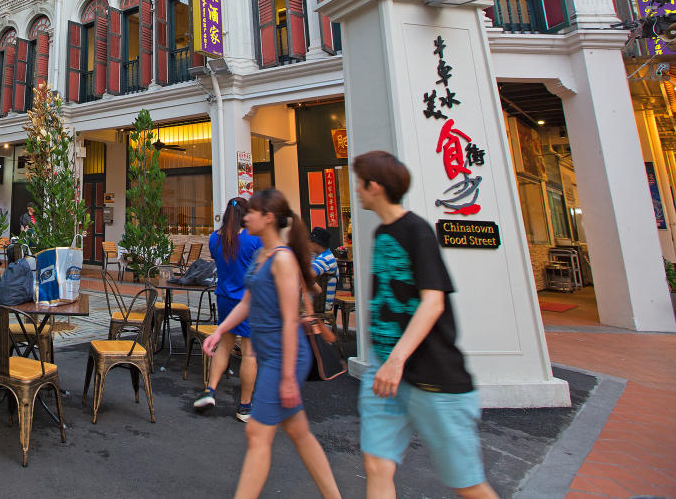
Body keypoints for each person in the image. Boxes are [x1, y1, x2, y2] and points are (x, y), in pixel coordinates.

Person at [352, 151, 497, 499]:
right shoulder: (381, 233)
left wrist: (396, 361)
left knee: (467, 483)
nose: (354, 190)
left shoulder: (417, 230)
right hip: (382, 369)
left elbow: (433, 302)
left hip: (430, 374)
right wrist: (384, 362)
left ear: (374, 186)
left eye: (358, 183)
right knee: (376, 463)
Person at [202, 189, 342, 499]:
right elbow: (247, 302)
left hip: (284, 356)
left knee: (256, 434)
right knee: (299, 433)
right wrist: (219, 331)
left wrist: (289, 376)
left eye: (252, 212)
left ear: (268, 218)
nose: (246, 217)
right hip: (271, 355)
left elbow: (291, 320)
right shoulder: (260, 253)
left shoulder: (283, 259)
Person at [197, 196, 261, 420]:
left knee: (224, 346)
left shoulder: (215, 238)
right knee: (249, 352)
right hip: (247, 302)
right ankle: (245, 407)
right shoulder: (254, 239)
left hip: (224, 298)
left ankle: (210, 390)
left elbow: (217, 260)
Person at [309, 227, 338, 312]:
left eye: (311, 242)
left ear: (317, 243)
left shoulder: (326, 258)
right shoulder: (321, 256)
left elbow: (309, 273)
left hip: (321, 303)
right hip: (317, 300)